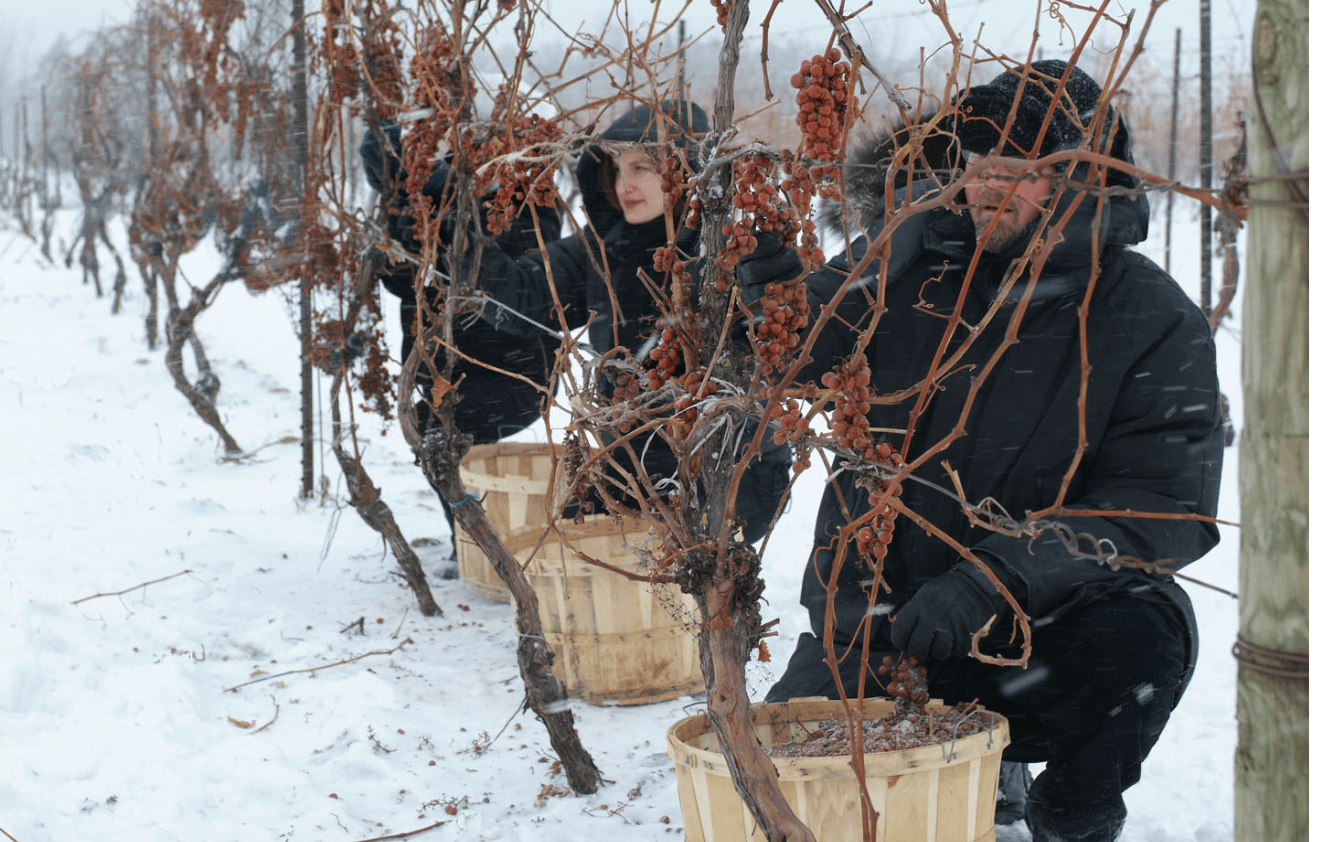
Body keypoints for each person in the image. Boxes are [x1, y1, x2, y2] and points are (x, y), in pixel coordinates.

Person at [762, 61, 1225, 842]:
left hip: (1028, 633)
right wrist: (775, 296)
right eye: (977, 165)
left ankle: (1071, 809)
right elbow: (785, 364)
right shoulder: (907, 267)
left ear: (1081, 183)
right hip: (876, 625)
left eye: (1017, 172)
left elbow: (1160, 504)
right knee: (793, 800)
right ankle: (965, 752)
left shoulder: (1146, 316)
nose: (984, 186)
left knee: (1145, 631)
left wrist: (995, 580)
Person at [457, 98, 794, 543]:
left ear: (688, 169)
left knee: (702, 593)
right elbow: (526, 295)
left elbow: (782, 344)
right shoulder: (606, 250)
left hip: (728, 474)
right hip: (631, 469)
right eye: (616, 168)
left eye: (641, 168)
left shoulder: (734, 251)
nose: (623, 184)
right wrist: (461, 228)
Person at [360, 121, 560, 568]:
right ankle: (473, 541)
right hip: (444, 369)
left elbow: (505, 276)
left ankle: (488, 547)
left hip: (516, 370)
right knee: (435, 433)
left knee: (446, 433)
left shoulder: (527, 197)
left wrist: (451, 211)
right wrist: (401, 202)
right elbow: (403, 279)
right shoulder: (433, 194)